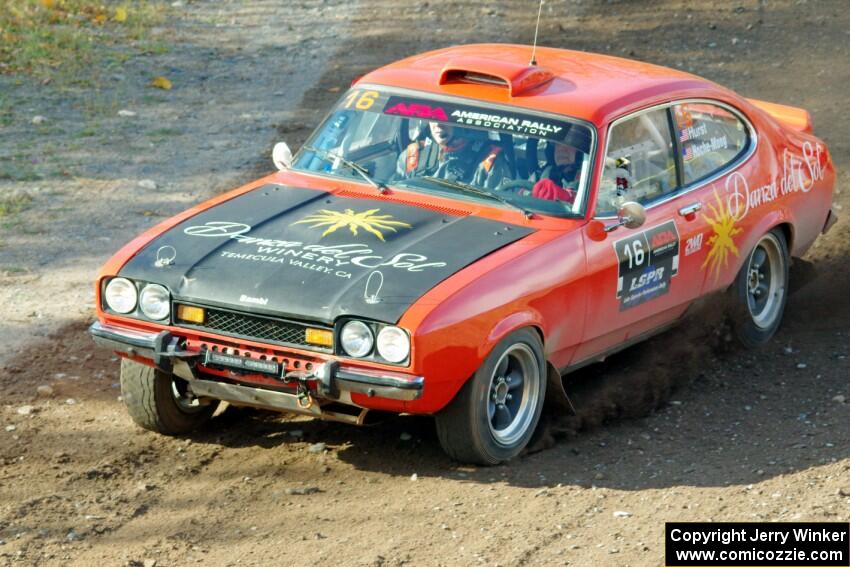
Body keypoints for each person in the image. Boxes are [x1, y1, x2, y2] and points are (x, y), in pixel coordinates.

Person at [396, 121, 512, 190]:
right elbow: (393, 194)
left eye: (445, 118)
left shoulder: (489, 162)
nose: (437, 124)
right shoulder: (413, 154)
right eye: (432, 117)